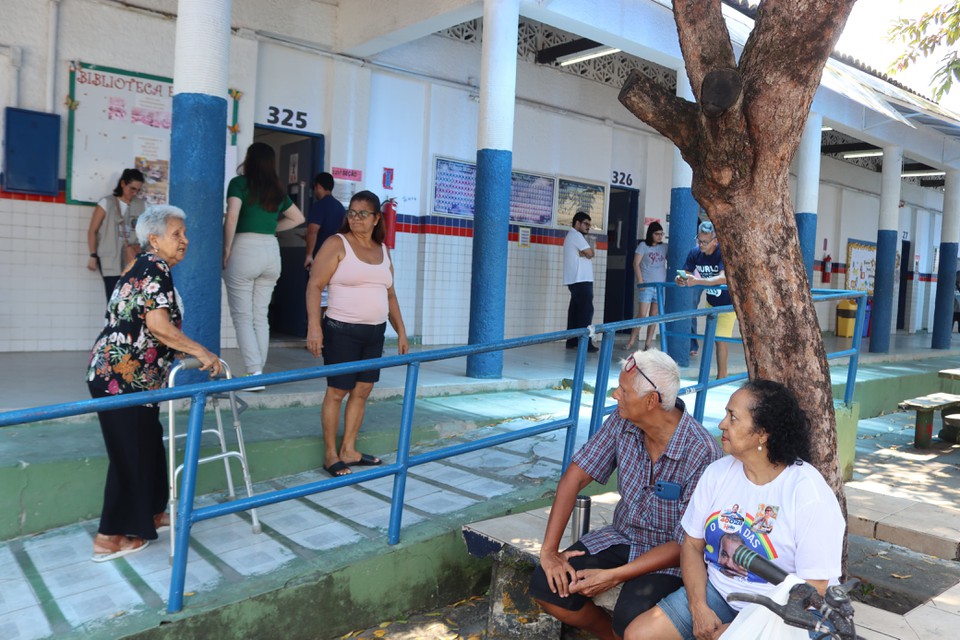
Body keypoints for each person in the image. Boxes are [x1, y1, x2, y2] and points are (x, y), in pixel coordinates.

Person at [623, 379, 845, 640]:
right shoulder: (718, 472)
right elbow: (692, 545)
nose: (722, 424)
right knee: (638, 635)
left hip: (788, 610)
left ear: (763, 433)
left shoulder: (807, 492)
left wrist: (742, 629)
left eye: (733, 417)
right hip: (720, 594)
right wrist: (698, 607)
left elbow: (814, 588)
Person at [529, 349, 722, 639]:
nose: (615, 394)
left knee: (630, 619)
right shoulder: (622, 422)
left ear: (651, 401)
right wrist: (549, 552)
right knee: (548, 585)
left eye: (623, 390)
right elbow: (574, 477)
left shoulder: (701, 451)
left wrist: (612, 576)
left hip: (670, 556)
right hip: (623, 536)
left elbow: (686, 544)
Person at [86, 205, 222, 562]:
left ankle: (151, 514)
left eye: (183, 233)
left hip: (134, 381)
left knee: (147, 447)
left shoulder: (145, 267)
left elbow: (147, 329)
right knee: (128, 456)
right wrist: (203, 353)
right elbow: (159, 326)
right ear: (154, 239)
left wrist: (179, 352)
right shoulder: (154, 266)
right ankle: (109, 537)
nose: (185, 240)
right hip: (119, 380)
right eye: (177, 234)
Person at [306, 190, 409, 477]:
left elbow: (390, 295)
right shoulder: (337, 244)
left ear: (377, 218)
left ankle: (349, 449)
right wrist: (314, 327)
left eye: (363, 214)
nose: (356, 218)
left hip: (375, 333)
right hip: (341, 331)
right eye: (351, 212)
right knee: (337, 391)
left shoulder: (383, 250)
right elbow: (314, 286)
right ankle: (330, 454)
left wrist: (401, 331)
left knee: (363, 390)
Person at [222, 143, 305, 385]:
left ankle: (254, 373)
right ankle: (258, 373)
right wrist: (271, 228)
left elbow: (233, 217)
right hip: (271, 252)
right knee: (260, 316)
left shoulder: (239, 184)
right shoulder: (276, 189)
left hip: (244, 249)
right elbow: (298, 218)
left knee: (243, 316)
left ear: (249, 159)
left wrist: (226, 249)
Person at [676, 221, 735, 379]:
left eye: (705, 242)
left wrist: (697, 281)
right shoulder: (695, 253)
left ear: (715, 240)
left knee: (720, 340)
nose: (701, 244)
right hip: (712, 301)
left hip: (728, 304)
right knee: (710, 339)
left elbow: (723, 278)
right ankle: (710, 374)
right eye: (699, 240)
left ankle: (722, 377)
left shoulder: (722, 252)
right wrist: (680, 279)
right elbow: (686, 272)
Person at [86, 168, 146, 300]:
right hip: (110, 259)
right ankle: (112, 321)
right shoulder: (106, 203)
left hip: (131, 259)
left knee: (130, 300)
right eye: (132, 189)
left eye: (138, 190)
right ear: (123, 184)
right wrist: (93, 255)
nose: (134, 193)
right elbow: (92, 231)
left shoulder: (142, 205)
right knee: (113, 299)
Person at [304, 172, 347, 318]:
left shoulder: (319, 206)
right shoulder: (340, 208)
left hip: (320, 259)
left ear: (318, 187)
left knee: (316, 296)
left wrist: (309, 255)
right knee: (330, 299)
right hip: (337, 259)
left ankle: (317, 332)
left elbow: (312, 231)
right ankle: (327, 333)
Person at [626, 221, 667, 351]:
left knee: (654, 315)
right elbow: (635, 264)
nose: (659, 236)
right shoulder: (643, 246)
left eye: (661, 234)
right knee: (642, 314)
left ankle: (648, 343)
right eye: (657, 234)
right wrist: (640, 281)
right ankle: (632, 340)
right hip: (647, 285)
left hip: (660, 286)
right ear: (651, 234)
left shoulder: (664, 247)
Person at [563, 211, 597, 352]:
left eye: (589, 224)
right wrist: (586, 252)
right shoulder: (576, 235)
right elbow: (590, 253)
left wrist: (584, 252)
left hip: (575, 279)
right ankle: (585, 342)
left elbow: (587, 253)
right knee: (585, 311)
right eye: (585, 224)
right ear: (577, 223)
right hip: (581, 278)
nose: (588, 227)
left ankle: (571, 341)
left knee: (575, 311)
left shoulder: (572, 236)